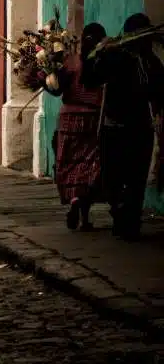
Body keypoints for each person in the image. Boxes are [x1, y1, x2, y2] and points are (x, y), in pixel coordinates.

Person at [91, 13, 164, 240]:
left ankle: (131, 220)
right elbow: (93, 78)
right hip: (114, 127)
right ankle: (119, 212)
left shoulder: (151, 62)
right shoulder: (115, 56)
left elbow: (159, 92)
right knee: (113, 177)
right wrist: (101, 55)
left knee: (136, 178)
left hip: (140, 128)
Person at [52, 23, 107, 231]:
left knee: (69, 163)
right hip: (92, 118)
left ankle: (74, 200)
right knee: (89, 164)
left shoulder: (70, 61)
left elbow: (57, 90)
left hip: (67, 118)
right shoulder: (100, 59)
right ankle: (85, 218)